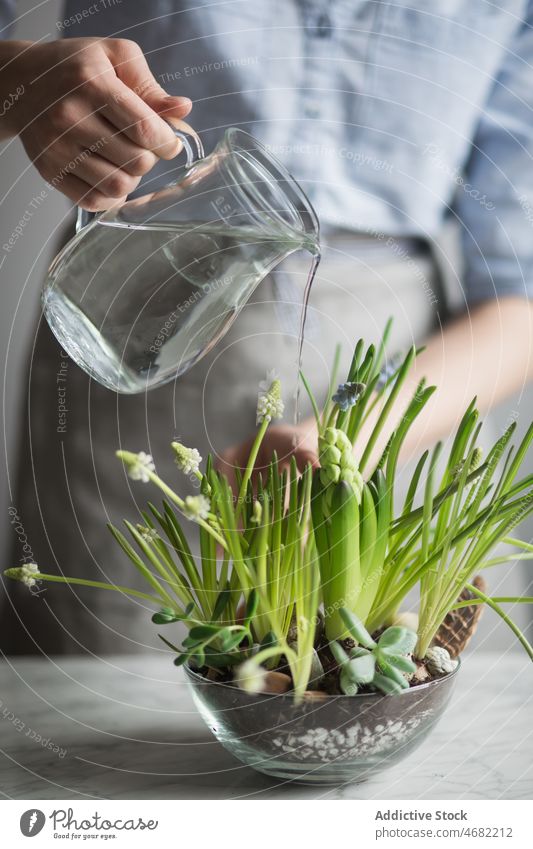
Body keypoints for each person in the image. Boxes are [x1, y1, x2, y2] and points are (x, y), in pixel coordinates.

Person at [1, 2, 532, 654]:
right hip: (133, 325)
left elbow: (521, 295)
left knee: (377, 684)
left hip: (407, 395)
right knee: (103, 701)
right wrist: (16, 79)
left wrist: (341, 446)